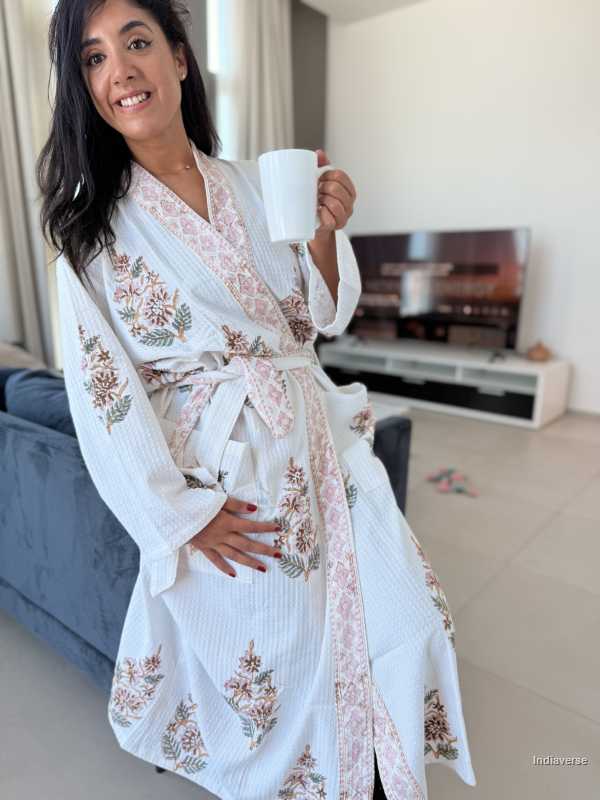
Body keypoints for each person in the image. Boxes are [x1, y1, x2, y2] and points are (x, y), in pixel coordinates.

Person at [37, 1, 477, 798]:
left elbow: (311, 321)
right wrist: (179, 515)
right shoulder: (89, 233)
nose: (121, 70)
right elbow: (105, 397)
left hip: (316, 447)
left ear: (178, 59)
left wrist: (320, 236)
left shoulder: (251, 184)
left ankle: (376, 770)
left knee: (405, 622)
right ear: (84, 86)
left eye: (137, 43)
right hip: (225, 479)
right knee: (281, 662)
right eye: (94, 58)